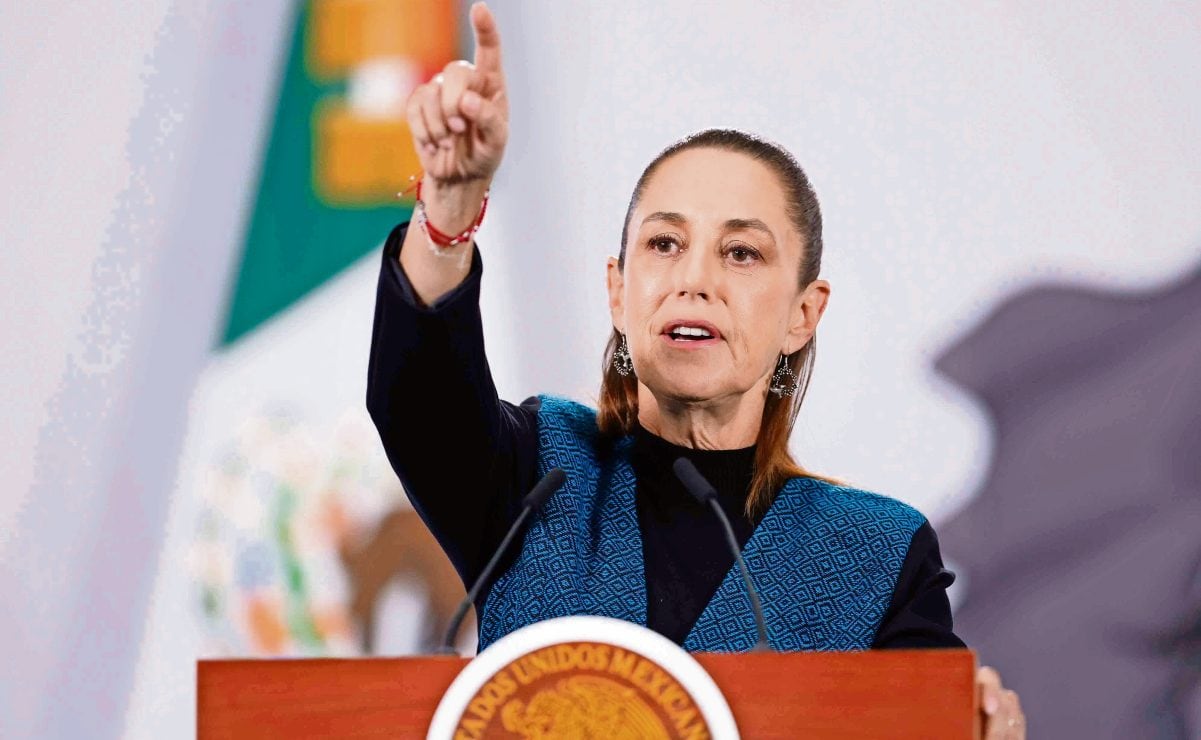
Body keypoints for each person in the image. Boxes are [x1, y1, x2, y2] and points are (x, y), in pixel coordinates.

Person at [366, 2, 1026, 736]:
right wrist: (449, 203)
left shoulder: (877, 556)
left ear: (803, 314)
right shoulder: (532, 476)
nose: (695, 279)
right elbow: (419, 399)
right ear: (618, 291)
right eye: (664, 244)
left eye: (741, 252)